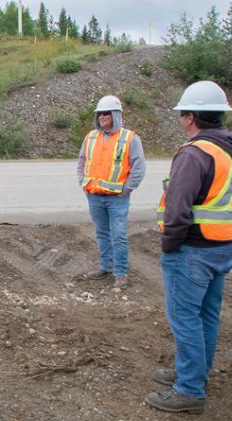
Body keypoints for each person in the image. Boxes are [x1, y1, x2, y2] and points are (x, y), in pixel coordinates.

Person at [147, 81, 232, 414]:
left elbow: (178, 207)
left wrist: (169, 245)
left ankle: (189, 389)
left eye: (181, 114)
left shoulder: (195, 153)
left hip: (192, 250)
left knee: (184, 318)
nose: (180, 119)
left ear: (191, 117)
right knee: (206, 315)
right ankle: (193, 373)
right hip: (224, 245)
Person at [77, 95, 146, 289]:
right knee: (102, 233)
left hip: (117, 198)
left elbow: (139, 167)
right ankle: (105, 266)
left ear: (116, 115)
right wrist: (83, 182)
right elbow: (82, 161)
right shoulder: (91, 137)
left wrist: (127, 189)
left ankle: (121, 273)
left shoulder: (130, 138)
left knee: (119, 235)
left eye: (106, 113)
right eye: (100, 114)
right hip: (94, 196)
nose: (102, 117)